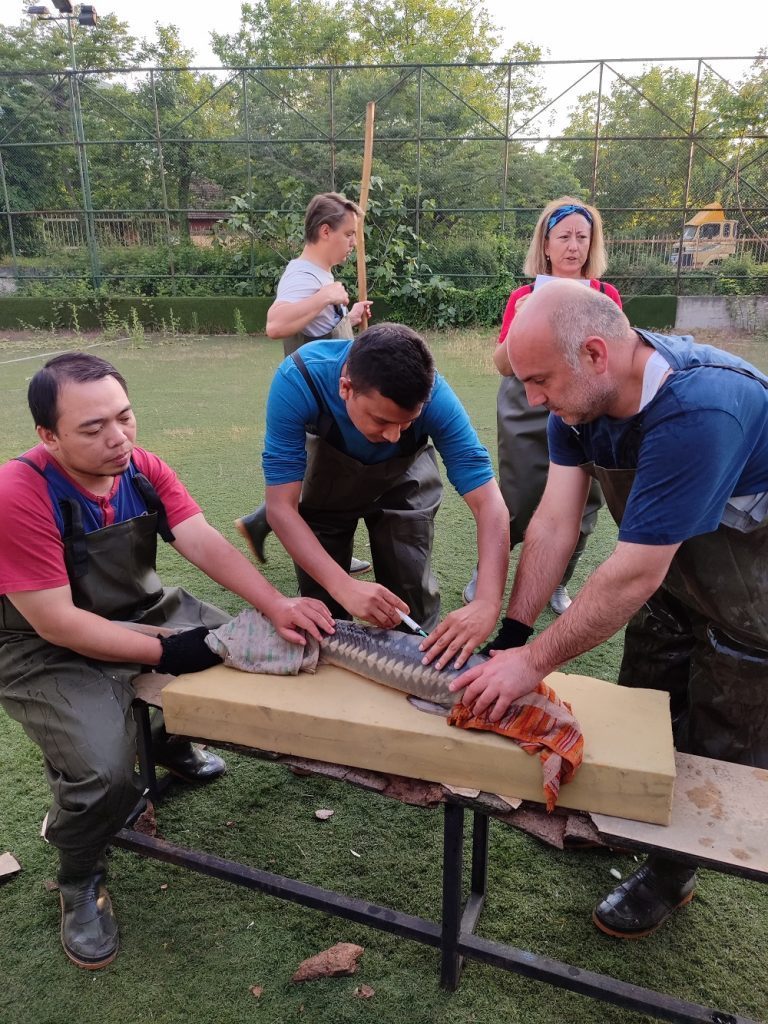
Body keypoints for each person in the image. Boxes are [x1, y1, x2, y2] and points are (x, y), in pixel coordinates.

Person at [448, 280, 768, 938]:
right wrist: (512, 639)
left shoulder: (700, 407)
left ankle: (671, 875)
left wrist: (531, 664)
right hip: (679, 576)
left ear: (595, 354)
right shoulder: (578, 404)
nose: (532, 400)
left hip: (755, 598)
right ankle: (628, 821)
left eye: (539, 381)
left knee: (715, 745)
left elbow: (633, 573)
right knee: (644, 705)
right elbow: (554, 524)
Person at [0, 352, 334, 970]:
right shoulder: (18, 493)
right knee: (103, 772)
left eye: (124, 417)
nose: (118, 438)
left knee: (252, 648)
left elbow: (200, 538)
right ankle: (80, 876)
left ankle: (166, 743)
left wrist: (276, 604)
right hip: (40, 646)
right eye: (93, 428)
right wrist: (171, 650)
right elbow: (58, 623)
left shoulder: (142, 468)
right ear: (48, 436)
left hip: (141, 610)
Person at [263, 321, 510, 667]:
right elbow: (280, 508)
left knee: (410, 596)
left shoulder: (435, 397)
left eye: (406, 423)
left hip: (405, 482)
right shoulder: (299, 379)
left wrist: (486, 601)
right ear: (346, 388)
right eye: (381, 421)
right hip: (328, 484)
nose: (394, 436)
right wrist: (342, 585)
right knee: (323, 610)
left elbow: (489, 503)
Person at [464, 197, 621, 619]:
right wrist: (522, 321)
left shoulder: (606, 296)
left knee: (584, 505)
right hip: (527, 405)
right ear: (546, 245)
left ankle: (558, 581)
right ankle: (487, 571)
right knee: (519, 498)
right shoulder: (524, 296)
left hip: (587, 410)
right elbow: (503, 365)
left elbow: (616, 360)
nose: (574, 246)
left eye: (582, 237)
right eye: (564, 236)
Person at [236, 192, 372, 573]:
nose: (353, 243)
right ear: (325, 231)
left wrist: (349, 315)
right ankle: (324, 554)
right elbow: (276, 324)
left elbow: (319, 329)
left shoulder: (318, 275)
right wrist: (326, 296)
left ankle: (260, 523)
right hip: (319, 400)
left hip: (331, 398)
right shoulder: (303, 276)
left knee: (321, 477)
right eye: (348, 234)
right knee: (328, 482)